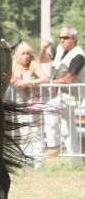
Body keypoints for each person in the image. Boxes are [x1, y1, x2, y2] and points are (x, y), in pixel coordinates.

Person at [39, 26, 85, 156]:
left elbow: (69, 79)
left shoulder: (78, 55)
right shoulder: (59, 49)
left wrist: (51, 82)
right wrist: (43, 48)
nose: (62, 40)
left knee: (48, 109)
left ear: (74, 39)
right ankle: (75, 159)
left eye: (65, 38)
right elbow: (42, 60)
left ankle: (54, 145)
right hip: (60, 94)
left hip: (71, 95)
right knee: (68, 129)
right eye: (60, 37)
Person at [10, 42, 48, 163]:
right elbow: (9, 78)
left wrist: (28, 83)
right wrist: (14, 81)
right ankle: (26, 159)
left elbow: (45, 79)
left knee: (36, 132)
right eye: (23, 54)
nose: (26, 56)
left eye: (28, 54)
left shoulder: (33, 64)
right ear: (17, 56)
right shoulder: (14, 65)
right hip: (20, 103)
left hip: (34, 102)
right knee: (24, 132)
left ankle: (38, 160)